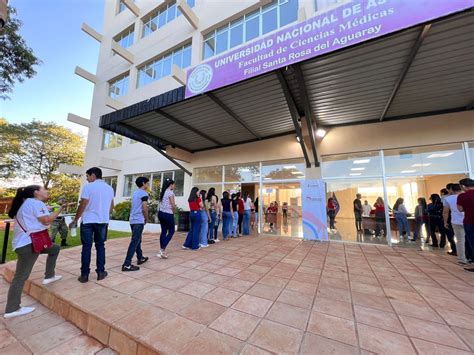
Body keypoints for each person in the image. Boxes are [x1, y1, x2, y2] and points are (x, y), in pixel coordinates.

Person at [4, 185, 63, 319]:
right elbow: (47, 220)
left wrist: (47, 209)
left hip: (32, 242)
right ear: (36, 192)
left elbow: (37, 218)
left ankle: (49, 276)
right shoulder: (36, 203)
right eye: (44, 189)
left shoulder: (28, 203)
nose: (46, 191)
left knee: (55, 248)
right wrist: (60, 209)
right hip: (29, 245)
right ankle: (12, 308)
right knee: (20, 277)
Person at [69, 167, 114, 283]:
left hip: (88, 221)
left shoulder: (88, 187)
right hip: (102, 221)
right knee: (100, 246)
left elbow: (83, 204)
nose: (87, 179)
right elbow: (111, 206)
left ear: (93, 175)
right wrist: (104, 214)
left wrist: (75, 220)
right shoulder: (109, 188)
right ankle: (100, 272)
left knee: (86, 247)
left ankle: (84, 275)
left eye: (87, 176)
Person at [122, 177, 150, 271]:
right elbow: (144, 208)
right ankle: (127, 264)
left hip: (133, 220)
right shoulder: (143, 193)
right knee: (135, 241)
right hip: (138, 220)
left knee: (137, 239)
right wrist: (146, 218)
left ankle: (140, 257)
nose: (148, 185)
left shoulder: (135, 193)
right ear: (143, 183)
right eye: (147, 183)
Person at [443, 184, 465, 263]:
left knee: (460, 240)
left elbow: (445, 212)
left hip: (456, 221)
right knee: (469, 239)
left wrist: (445, 222)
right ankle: (470, 257)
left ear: (451, 190)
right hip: (468, 220)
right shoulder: (465, 196)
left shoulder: (448, 198)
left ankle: (462, 258)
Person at [457, 178, 474, 272]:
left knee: (473, 243)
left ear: (463, 186)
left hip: (470, 222)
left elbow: (460, 209)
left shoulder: (462, 196)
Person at [157, 178, 176, 259]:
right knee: (171, 231)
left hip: (161, 213)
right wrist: (174, 212)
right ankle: (162, 249)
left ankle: (162, 250)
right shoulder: (170, 192)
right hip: (168, 214)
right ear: (170, 185)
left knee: (164, 231)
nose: (174, 186)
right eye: (174, 184)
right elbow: (173, 205)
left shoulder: (163, 192)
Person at [441, 186, 457, 254]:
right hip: (463, 219)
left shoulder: (445, 198)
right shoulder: (462, 195)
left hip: (451, 218)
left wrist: (445, 222)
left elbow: (445, 211)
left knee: (450, 235)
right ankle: (467, 254)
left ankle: (454, 250)